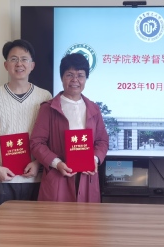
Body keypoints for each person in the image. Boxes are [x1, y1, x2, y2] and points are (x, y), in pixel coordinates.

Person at [0, 39, 52, 214]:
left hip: (35, 179)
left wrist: (37, 163)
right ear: (6, 65)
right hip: (1, 179)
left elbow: (48, 138)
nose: (19, 64)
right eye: (13, 59)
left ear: (32, 65)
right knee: (0, 230)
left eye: (24, 59)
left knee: (34, 230)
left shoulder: (45, 96)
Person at [30, 53, 108, 202]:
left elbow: (102, 141)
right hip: (58, 177)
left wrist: (94, 159)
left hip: (87, 177)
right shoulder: (49, 108)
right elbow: (37, 143)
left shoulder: (94, 109)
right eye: (69, 75)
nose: (75, 80)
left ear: (86, 78)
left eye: (80, 75)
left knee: (87, 217)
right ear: (61, 77)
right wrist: (57, 163)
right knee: (57, 217)